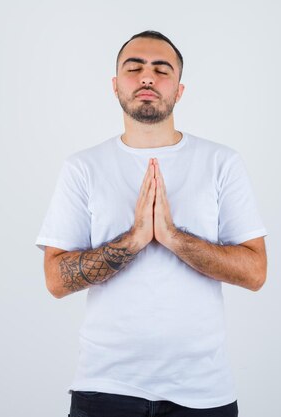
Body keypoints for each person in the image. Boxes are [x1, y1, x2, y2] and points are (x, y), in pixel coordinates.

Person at [35, 30, 268, 417]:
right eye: (134, 67)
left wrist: (174, 239)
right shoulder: (83, 167)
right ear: (115, 85)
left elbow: (256, 272)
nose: (147, 77)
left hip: (203, 391)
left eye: (161, 70)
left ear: (179, 90)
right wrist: (133, 240)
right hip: (104, 389)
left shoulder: (221, 163)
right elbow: (56, 280)